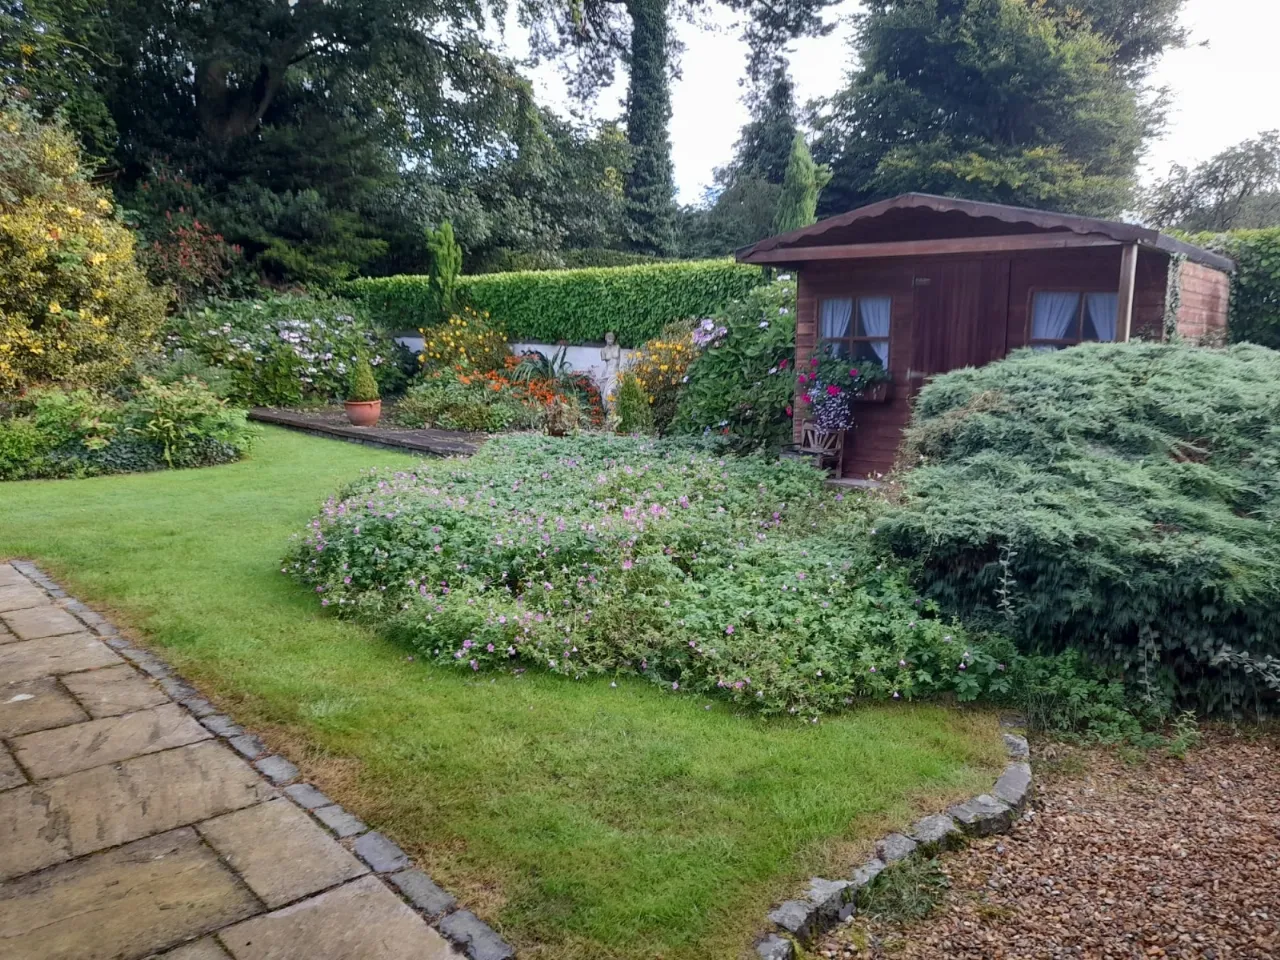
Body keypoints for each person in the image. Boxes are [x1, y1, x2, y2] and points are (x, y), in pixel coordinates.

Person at [599, 331, 622, 412]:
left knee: (611, 393)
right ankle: (609, 412)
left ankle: (612, 412)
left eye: (612, 339)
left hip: (615, 374)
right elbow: (604, 359)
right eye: (609, 338)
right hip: (606, 374)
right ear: (605, 339)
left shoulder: (617, 347)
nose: (610, 340)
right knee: (606, 395)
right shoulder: (603, 350)